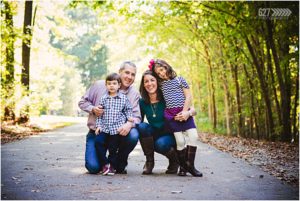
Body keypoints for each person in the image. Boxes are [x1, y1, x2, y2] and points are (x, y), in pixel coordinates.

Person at [78, 61, 141, 174]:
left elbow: (137, 117)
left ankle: (119, 161)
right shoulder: (99, 86)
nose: (129, 77)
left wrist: (129, 123)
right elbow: (82, 102)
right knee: (93, 167)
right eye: (127, 72)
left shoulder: (133, 93)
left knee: (133, 134)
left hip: (117, 134)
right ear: (119, 72)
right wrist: (93, 109)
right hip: (97, 132)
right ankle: (106, 164)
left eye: (133, 74)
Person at [149, 59, 203, 177]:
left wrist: (185, 112)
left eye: (162, 70)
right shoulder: (161, 85)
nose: (161, 74)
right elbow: (150, 81)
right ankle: (183, 168)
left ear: (167, 66)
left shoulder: (180, 80)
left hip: (184, 111)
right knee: (180, 141)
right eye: (158, 73)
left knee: (194, 136)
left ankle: (190, 166)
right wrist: (151, 70)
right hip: (172, 115)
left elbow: (188, 96)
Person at [94, 73, 134, 176]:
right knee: (98, 142)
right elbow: (100, 113)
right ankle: (105, 164)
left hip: (116, 129)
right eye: (109, 83)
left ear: (119, 85)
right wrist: (98, 125)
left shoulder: (123, 99)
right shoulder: (103, 98)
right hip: (104, 128)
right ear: (106, 85)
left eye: (114, 83)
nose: (111, 86)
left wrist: (129, 119)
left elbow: (128, 110)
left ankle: (111, 167)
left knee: (113, 149)